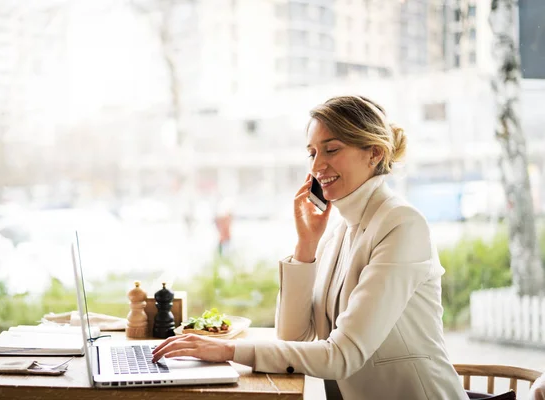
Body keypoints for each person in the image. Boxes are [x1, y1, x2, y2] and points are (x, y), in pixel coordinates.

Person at [152, 95, 468, 399]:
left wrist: (229, 351)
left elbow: (343, 355)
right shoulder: (338, 231)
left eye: (330, 150)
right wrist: (306, 246)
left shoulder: (401, 224)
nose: (317, 166)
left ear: (373, 153)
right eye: (312, 153)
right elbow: (293, 336)